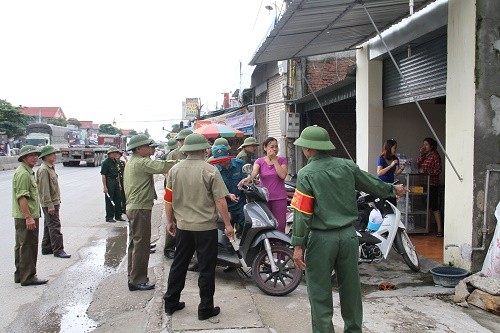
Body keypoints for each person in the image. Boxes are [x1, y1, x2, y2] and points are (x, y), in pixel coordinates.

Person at [291, 125, 407, 333]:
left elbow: (303, 213)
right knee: (351, 290)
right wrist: (392, 189)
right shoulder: (346, 166)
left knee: (319, 293)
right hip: (348, 236)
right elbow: (371, 183)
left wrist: (297, 245)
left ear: (308, 149)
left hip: (321, 239)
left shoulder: (306, 174)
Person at [163, 133, 234, 320]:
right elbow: (220, 201)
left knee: (179, 264)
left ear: (186, 150)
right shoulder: (210, 170)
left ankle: (170, 303)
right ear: (204, 150)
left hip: (184, 227)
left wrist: (169, 222)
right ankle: (205, 309)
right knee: (206, 269)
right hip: (206, 229)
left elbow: (168, 200)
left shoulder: (175, 170)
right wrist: (227, 224)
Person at [124, 134, 177, 291]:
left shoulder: (133, 162)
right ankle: (138, 280)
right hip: (140, 208)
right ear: (139, 149)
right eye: (147, 146)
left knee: (135, 243)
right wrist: (183, 162)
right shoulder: (141, 162)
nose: (151, 148)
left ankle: (133, 276)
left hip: (134, 206)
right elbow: (162, 166)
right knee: (141, 244)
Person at [12, 145, 48, 286]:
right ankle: (28, 277)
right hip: (26, 216)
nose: (34, 157)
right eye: (31, 155)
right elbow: (22, 197)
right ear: (23, 158)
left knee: (21, 246)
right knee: (28, 246)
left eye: (35, 155)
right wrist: (28, 217)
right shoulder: (24, 174)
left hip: (23, 216)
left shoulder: (26, 171)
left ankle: (20, 275)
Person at [238, 137, 288, 233]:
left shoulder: (282, 160)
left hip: (279, 198)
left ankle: (280, 246)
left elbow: (282, 175)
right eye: (272, 147)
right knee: (265, 224)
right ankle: (267, 245)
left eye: (276, 147)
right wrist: (248, 179)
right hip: (264, 198)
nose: (274, 149)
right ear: (265, 148)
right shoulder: (259, 161)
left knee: (280, 224)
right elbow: (254, 173)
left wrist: (274, 161)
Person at [36, 145, 71, 259]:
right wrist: (50, 205)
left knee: (48, 224)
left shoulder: (50, 167)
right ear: (46, 156)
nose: (54, 156)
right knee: (55, 226)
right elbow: (44, 189)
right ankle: (58, 250)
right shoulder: (44, 170)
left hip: (53, 201)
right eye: (52, 154)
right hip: (49, 203)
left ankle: (46, 247)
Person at [163, 130, 191, 259]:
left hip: (190, 190)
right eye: (181, 140)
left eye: (185, 140)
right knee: (172, 218)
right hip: (175, 190)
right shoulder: (173, 154)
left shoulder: (193, 153)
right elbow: (167, 172)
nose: (182, 142)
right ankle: (169, 247)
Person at [209, 144, 245, 233]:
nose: (222, 163)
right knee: (225, 231)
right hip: (224, 205)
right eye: (219, 161)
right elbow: (213, 190)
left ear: (228, 156)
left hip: (240, 203)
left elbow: (247, 179)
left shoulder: (239, 164)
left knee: (245, 228)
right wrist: (227, 195)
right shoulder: (213, 170)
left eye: (223, 160)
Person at [415, 137, 443, 237]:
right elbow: (417, 164)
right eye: (424, 144)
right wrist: (421, 153)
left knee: (434, 206)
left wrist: (427, 172)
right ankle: (428, 228)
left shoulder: (435, 155)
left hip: (432, 184)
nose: (424, 146)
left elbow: (438, 170)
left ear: (431, 146)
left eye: (426, 145)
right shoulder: (425, 155)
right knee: (426, 206)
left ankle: (439, 229)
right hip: (423, 184)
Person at [377, 139, 407, 205]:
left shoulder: (395, 158)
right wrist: (391, 165)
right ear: (389, 148)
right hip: (382, 186)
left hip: (391, 186)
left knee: (392, 204)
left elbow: (396, 173)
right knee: (382, 205)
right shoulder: (381, 158)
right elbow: (379, 173)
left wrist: (402, 168)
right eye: (394, 148)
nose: (395, 150)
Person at [100, 146, 124, 222]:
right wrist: (105, 187)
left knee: (118, 198)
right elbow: (103, 175)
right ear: (109, 154)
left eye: (115, 153)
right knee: (110, 199)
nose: (115, 154)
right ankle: (109, 217)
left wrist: (119, 184)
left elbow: (117, 174)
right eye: (113, 153)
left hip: (116, 181)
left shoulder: (116, 161)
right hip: (109, 181)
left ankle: (118, 215)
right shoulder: (106, 162)